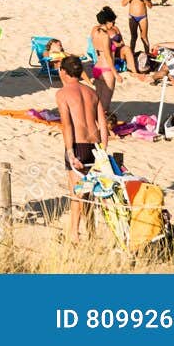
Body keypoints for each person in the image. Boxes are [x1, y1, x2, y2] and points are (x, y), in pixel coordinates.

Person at [55, 54, 108, 241]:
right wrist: (103, 150)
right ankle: (90, 233)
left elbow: (67, 125)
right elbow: (103, 123)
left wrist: (70, 152)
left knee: (76, 193)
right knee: (88, 192)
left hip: (77, 145)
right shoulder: (92, 93)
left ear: (64, 72)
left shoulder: (62, 93)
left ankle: (74, 234)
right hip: (95, 146)